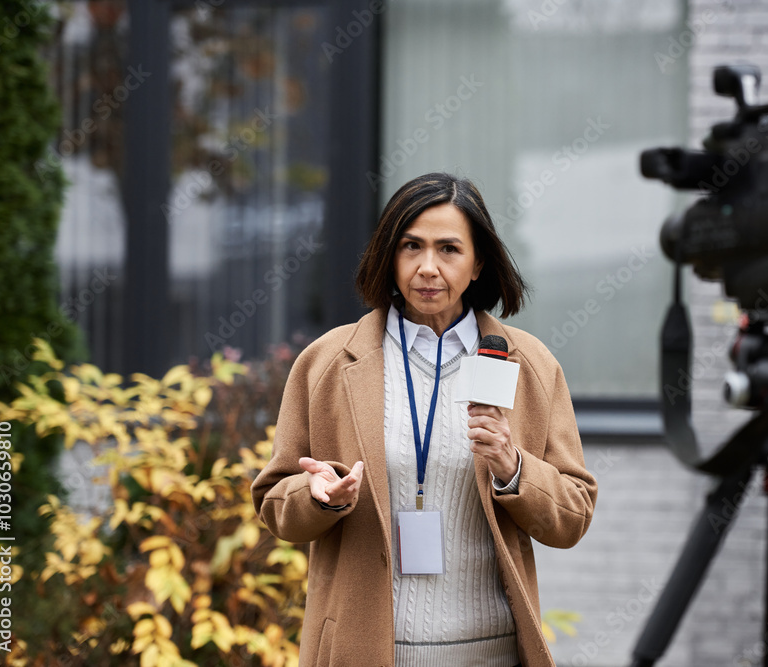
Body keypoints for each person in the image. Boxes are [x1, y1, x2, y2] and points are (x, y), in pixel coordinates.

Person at [251, 172, 597, 667]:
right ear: (389, 257)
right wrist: (318, 496)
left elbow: (573, 516)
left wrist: (512, 467)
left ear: (478, 263)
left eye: (449, 249)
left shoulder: (530, 365)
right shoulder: (327, 362)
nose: (427, 267)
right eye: (411, 246)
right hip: (361, 652)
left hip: (491, 654)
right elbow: (273, 502)